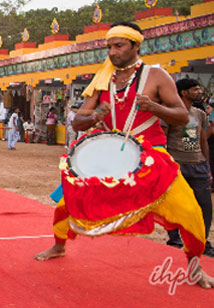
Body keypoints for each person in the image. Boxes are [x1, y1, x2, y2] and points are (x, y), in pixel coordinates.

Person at [33, 22, 213, 289]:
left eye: (118, 46)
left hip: (151, 153)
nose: (112, 52)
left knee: (188, 209)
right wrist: (96, 116)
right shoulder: (103, 79)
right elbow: (77, 122)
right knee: (67, 201)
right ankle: (59, 246)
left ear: (136, 45)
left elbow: (182, 115)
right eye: (109, 47)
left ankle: (195, 266)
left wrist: (153, 106)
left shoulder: (156, 76)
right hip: (107, 150)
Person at [164, 78, 214, 257]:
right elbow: (163, 139)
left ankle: (202, 240)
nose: (200, 91)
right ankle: (175, 241)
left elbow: (202, 141)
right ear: (183, 92)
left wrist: (206, 165)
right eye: (195, 89)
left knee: (205, 206)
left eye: (199, 88)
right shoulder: (170, 113)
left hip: (198, 165)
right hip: (177, 165)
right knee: (176, 206)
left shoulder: (199, 114)